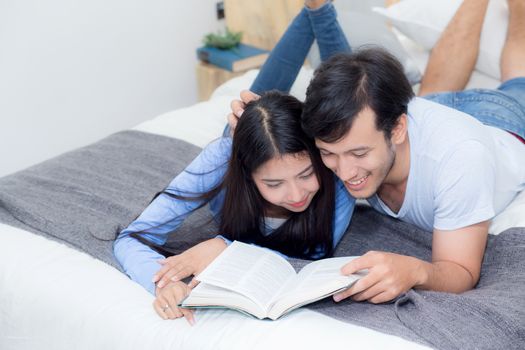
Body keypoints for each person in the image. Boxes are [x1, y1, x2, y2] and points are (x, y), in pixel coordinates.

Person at [230, 0, 525, 304]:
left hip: (500, 118)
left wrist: (417, 271)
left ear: (398, 129)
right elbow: (276, 133)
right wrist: (243, 129)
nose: (344, 173)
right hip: (429, 107)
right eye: (329, 153)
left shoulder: (462, 158)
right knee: (428, 88)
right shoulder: (343, 130)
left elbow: (461, 271)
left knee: (517, 75)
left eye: (359, 154)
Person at [113, 0, 356, 323]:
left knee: (346, 104)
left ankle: (319, 9)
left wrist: (223, 248)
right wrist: (164, 284)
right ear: (247, 175)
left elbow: (311, 255)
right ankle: (316, 8)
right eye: (273, 183)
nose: (297, 194)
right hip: (242, 144)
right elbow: (133, 237)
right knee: (258, 109)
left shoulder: (334, 172)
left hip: (294, 134)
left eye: (305, 174)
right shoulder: (221, 159)